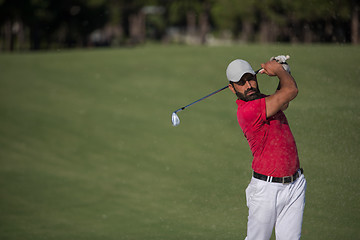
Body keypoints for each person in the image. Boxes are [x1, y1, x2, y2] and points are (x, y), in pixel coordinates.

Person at [226, 58, 307, 240]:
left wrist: (285, 71)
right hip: (266, 190)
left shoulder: (263, 101)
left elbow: (283, 101)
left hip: (295, 184)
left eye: (251, 78)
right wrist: (279, 70)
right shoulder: (248, 110)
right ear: (232, 88)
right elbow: (291, 91)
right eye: (241, 82)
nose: (248, 85)